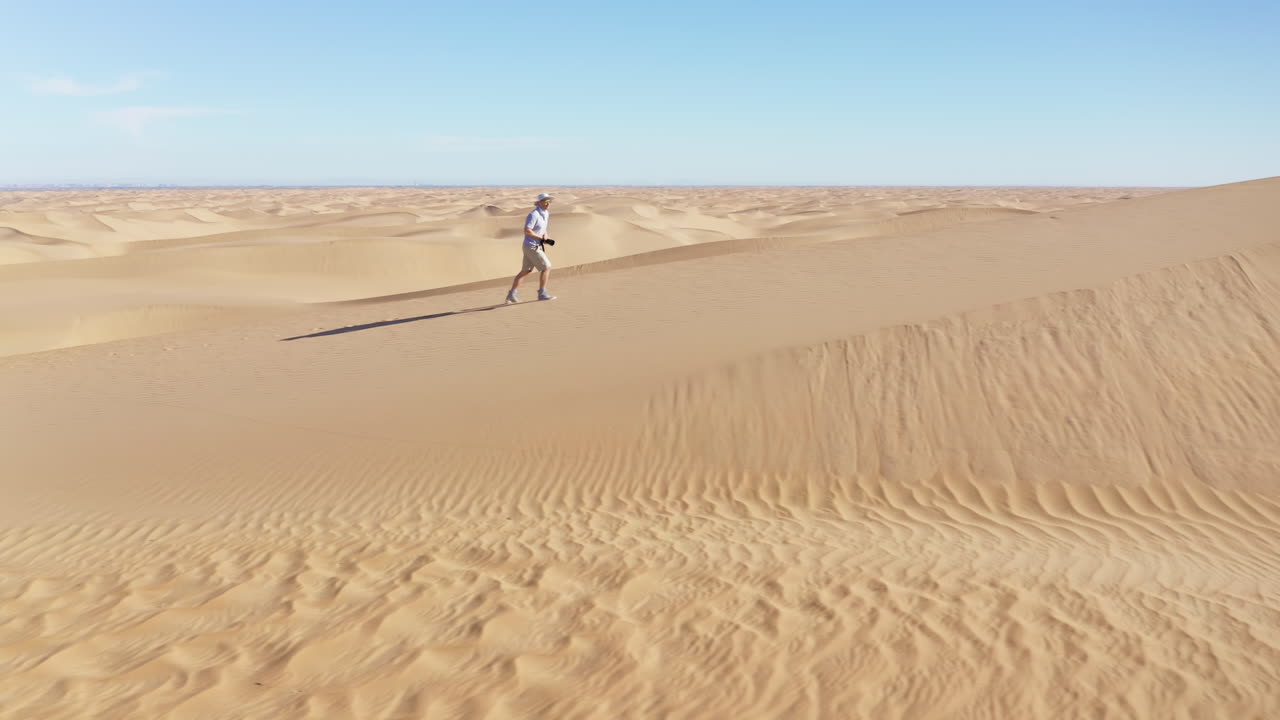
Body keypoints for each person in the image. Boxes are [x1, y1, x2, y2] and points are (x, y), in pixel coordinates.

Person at [506, 192, 556, 303]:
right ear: (539, 202)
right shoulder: (534, 215)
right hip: (532, 246)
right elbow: (527, 231)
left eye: (549, 201)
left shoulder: (546, 213)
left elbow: (543, 229)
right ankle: (542, 294)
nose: (548, 203)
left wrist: (546, 238)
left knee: (526, 271)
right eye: (546, 201)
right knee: (546, 267)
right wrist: (542, 238)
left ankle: (511, 295)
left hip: (533, 245)